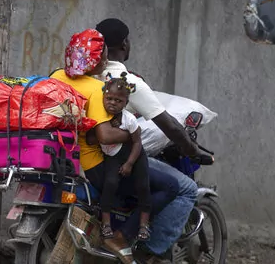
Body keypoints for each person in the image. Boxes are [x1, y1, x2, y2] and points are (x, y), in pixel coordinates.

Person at [51, 29, 180, 264]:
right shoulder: (95, 89)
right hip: (97, 167)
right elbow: (105, 136)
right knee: (171, 186)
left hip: (67, 157)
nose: (105, 62)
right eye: (103, 57)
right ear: (96, 61)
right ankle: (121, 236)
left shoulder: (56, 76)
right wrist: (133, 135)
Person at [96, 18, 211, 263]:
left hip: (85, 152)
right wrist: (191, 150)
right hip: (113, 154)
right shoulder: (128, 82)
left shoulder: (87, 73)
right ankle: (148, 252)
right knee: (185, 189)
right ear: (125, 44)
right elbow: (169, 125)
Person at [94, 73, 151, 242]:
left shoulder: (129, 120)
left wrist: (130, 163)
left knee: (143, 186)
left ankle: (143, 226)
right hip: (113, 156)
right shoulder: (100, 115)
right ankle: (106, 224)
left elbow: (137, 142)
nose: (112, 103)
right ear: (103, 97)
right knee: (110, 184)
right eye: (109, 98)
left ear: (126, 103)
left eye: (118, 101)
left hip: (134, 155)